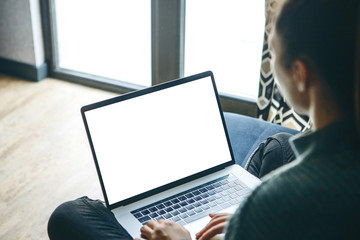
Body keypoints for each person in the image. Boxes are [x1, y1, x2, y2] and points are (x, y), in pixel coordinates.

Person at [48, 0, 360, 239]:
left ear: (300, 74)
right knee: (278, 145)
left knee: (70, 215)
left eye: (275, 51)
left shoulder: (270, 203)